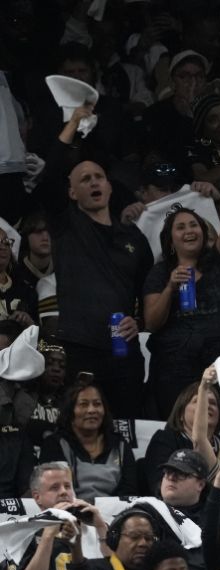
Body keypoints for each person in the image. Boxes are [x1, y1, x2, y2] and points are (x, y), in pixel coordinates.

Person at [42, 107, 153, 419]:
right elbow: (50, 173)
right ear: (72, 192)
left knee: (125, 426)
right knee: (80, 426)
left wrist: (140, 322)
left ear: (109, 186)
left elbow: (149, 293)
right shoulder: (66, 226)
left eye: (99, 177)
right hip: (80, 348)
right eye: (84, 179)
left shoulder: (134, 238)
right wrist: (73, 124)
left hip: (124, 349)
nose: (94, 183)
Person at [141, 175, 220, 416]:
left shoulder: (217, 264)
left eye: (194, 225)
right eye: (180, 227)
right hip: (175, 365)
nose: (189, 230)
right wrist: (170, 287)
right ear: (170, 241)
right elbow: (151, 322)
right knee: (180, 423)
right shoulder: (159, 273)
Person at [15, 463, 108, 570]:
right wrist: (48, 534)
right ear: (37, 497)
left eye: (67, 486)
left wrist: (101, 528)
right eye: (54, 488)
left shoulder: (97, 526)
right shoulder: (25, 534)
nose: (64, 492)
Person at [38, 380, 139, 499]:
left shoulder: (120, 445)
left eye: (97, 404)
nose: (92, 410)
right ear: (70, 412)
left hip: (115, 511)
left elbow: (130, 490)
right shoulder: (55, 444)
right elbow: (54, 489)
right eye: (83, 404)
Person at [141, 378, 220, 494]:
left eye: (213, 403)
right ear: (180, 413)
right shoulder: (165, 439)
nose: (207, 405)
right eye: (198, 401)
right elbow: (159, 486)